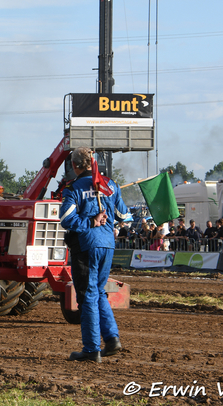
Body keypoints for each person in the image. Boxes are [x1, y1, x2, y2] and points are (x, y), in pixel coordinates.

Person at [59, 147, 129, 363]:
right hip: (107, 244)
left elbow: (66, 220)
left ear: (74, 166)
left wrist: (89, 221)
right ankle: (111, 339)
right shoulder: (110, 185)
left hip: (86, 245)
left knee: (88, 295)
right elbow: (124, 215)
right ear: (92, 163)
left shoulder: (72, 188)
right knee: (98, 292)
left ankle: (91, 349)